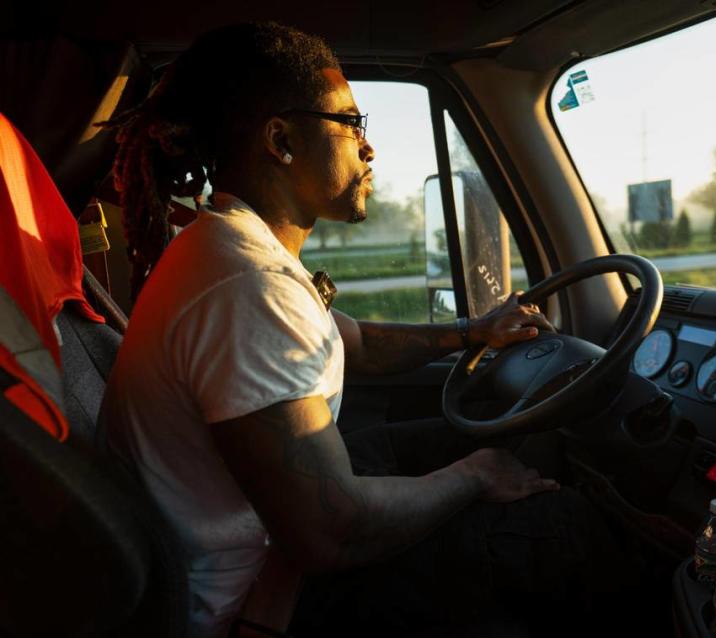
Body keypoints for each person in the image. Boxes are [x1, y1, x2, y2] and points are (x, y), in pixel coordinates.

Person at [100, 22, 629, 638]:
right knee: (564, 529)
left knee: (466, 438)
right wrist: (473, 476)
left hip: (264, 545)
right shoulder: (248, 289)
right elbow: (332, 533)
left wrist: (473, 332)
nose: (368, 148)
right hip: (255, 600)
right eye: (353, 125)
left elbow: (350, 342)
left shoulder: (233, 249)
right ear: (281, 140)